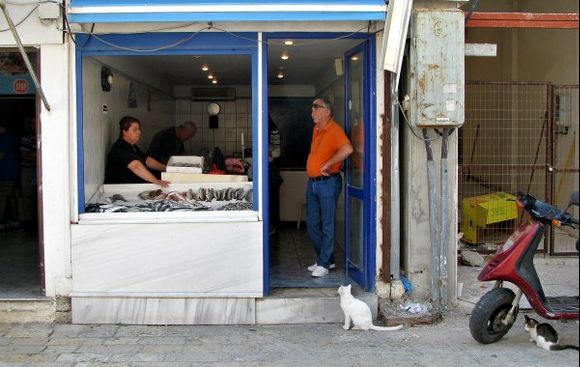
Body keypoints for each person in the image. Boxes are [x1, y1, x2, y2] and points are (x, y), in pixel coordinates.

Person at [306, 98, 353, 277]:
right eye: (312, 108)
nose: (312, 112)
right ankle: (326, 259)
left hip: (328, 183)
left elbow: (348, 149)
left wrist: (330, 163)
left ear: (327, 111)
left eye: (316, 108)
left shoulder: (334, 130)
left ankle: (324, 263)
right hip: (313, 183)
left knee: (327, 224)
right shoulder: (316, 129)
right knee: (311, 224)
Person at [105, 116, 170, 188]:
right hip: (120, 188)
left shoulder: (132, 146)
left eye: (139, 129)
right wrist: (156, 181)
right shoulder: (121, 148)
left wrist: (166, 168)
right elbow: (136, 166)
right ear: (124, 132)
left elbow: (148, 160)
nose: (139, 132)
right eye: (135, 130)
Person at [0, 122, 19, 231]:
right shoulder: (10, 137)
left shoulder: (5, 138)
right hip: (11, 172)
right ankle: (14, 220)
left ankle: (3, 221)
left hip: (7, 173)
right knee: (11, 197)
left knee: (3, 198)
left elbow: (1, 155)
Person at [268, 115, 283, 235]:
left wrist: (266, 153)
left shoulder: (273, 131)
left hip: (271, 168)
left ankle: (272, 226)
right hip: (268, 168)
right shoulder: (267, 129)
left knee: (271, 197)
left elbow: (277, 153)